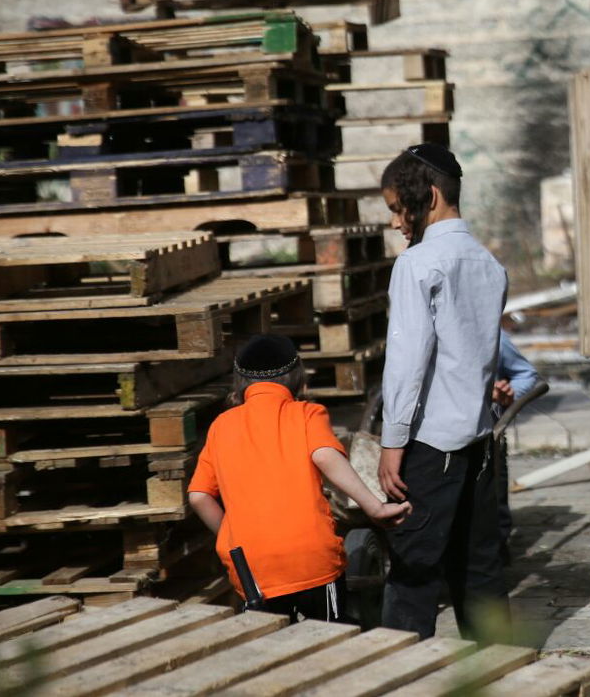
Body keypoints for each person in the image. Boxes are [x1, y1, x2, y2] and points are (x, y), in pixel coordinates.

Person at [377, 143, 510, 641]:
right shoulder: (486, 263)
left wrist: (393, 443)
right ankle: (501, 673)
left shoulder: (417, 264)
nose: (394, 223)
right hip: (478, 441)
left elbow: (408, 363)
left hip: (431, 445)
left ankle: (402, 677)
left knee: (413, 572)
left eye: (396, 208)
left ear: (428, 197)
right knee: (480, 572)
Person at [188, 334, 409, 623]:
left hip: (253, 568)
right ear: (296, 377)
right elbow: (325, 456)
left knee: (270, 654)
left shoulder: (221, 427)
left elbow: (198, 495)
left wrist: (232, 536)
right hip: (312, 561)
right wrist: (375, 507)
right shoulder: (306, 414)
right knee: (332, 645)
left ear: (240, 382)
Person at [492, 330, 541, 557]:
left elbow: (526, 374)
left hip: (489, 434)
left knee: (493, 498)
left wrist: (508, 397)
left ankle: (498, 553)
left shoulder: (493, 335)